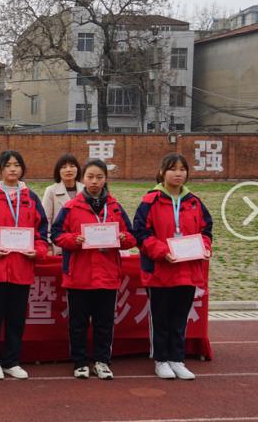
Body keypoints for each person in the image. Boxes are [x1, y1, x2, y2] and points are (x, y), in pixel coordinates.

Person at [51, 159, 136, 379]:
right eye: (90, 177)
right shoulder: (71, 207)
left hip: (107, 275)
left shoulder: (115, 207)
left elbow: (132, 237)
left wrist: (122, 238)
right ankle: (80, 362)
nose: (94, 181)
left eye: (99, 177)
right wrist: (74, 239)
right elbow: (56, 235)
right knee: (78, 323)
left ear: (105, 179)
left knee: (104, 322)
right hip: (79, 275)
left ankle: (102, 361)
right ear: (83, 179)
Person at [133, 153, 212, 381]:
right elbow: (141, 233)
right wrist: (162, 252)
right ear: (162, 172)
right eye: (173, 169)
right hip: (160, 270)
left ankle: (177, 359)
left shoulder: (194, 202)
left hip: (187, 271)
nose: (178, 173)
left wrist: (205, 247)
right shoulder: (150, 201)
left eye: (182, 169)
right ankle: (161, 360)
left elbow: (206, 230)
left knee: (180, 318)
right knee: (161, 319)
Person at [0, 150, 48, 380]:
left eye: (17, 164)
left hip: (22, 268)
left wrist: (38, 251)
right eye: (8, 165)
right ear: (0, 169)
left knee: (16, 319)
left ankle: (12, 361)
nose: (13, 169)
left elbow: (41, 232)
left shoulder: (31, 198)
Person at [41, 153, 85, 255]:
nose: (68, 170)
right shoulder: (51, 191)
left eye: (72, 166)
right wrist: (48, 244)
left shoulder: (85, 190)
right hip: (60, 245)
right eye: (64, 167)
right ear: (58, 171)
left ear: (77, 169)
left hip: (83, 244)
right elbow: (46, 220)